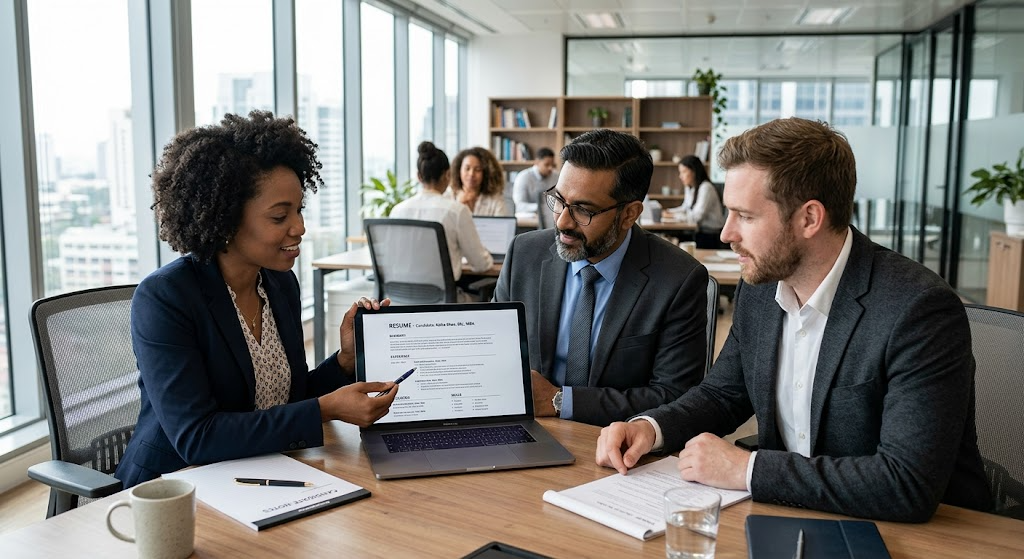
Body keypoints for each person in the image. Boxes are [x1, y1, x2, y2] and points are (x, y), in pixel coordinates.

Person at [595, 117, 991, 522]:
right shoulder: (763, 287)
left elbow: (905, 483)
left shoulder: (918, 310)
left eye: (745, 216)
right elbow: (723, 395)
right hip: (794, 515)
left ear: (809, 219)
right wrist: (650, 427)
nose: (728, 233)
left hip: (921, 534)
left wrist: (745, 469)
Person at [116, 111, 397, 487]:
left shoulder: (279, 284)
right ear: (226, 219)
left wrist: (345, 361)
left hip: (261, 473)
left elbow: (284, 398)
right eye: (280, 216)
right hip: (174, 487)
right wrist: (324, 410)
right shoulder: (166, 298)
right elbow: (197, 437)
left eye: (299, 210)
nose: (299, 227)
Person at [494, 129, 709, 427]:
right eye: (559, 200)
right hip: (530, 430)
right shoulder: (524, 254)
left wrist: (560, 400)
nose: (562, 221)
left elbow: (674, 396)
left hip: (619, 442)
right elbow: (493, 352)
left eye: (583, 209)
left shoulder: (678, 279)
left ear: (629, 214)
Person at [390, 141, 494, 294]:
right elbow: (481, 264)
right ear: (447, 175)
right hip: (443, 306)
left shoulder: (397, 211)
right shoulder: (456, 211)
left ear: (419, 176)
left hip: (400, 301)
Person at [666, 155, 725, 248]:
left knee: (676, 242)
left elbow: (697, 217)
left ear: (694, 171)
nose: (680, 176)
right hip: (699, 232)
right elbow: (684, 208)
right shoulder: (690, 188)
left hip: (710, 235)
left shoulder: (706, 188)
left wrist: (673, 216)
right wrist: (668, 211)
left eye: (684, 172)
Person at [447, 146, 512, 216]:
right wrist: (458, 206)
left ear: (486, 173)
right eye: (467, 168)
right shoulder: (448, 196)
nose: (471, 174)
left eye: (477, 169)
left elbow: (503, 225)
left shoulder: (496, 200)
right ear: (458, 170)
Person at [512, 147, 558, 213]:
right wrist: (542, 208)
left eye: (552, 165)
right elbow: (519, 205)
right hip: (528, 218)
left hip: (550, 217)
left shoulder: (556, 176)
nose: (550, 168)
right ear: (537, 162)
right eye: (547, 165)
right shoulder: (523, 177)